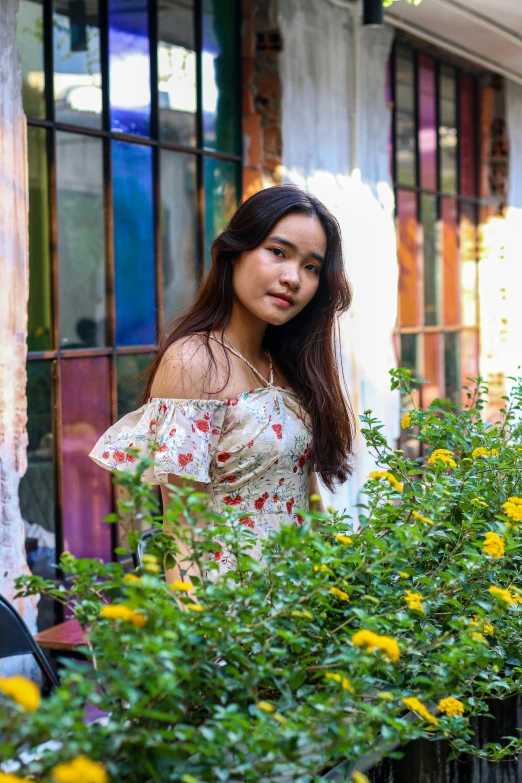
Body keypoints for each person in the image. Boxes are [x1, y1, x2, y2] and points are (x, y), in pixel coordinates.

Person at [89, 185, 355, 585]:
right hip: (230, 610)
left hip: (300, 608)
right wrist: (205, 642)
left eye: (311, 267)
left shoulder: (290, 365)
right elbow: (184, 535)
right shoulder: (193, 362)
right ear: (235, 252)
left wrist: (337, 595)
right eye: (278, 252)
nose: (292, 278)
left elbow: (309, 503)